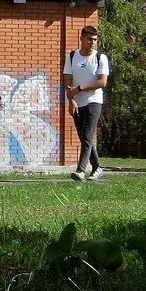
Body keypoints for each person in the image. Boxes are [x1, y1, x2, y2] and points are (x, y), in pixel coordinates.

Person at [63, 24, 109, 181]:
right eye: (89, 39)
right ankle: (97, 168)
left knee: (87, 136)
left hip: (94, 101)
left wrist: (80, 88)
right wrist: (71, 100)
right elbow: (68, 83)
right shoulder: (71, 57)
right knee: (84, 138)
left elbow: (102, 82)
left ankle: (80, 171)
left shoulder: (100, 58)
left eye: (95, 40)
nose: (92, 42)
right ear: (81, 38)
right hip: (77, 103)